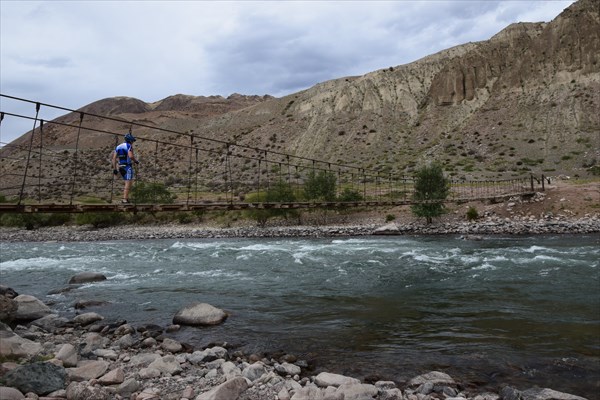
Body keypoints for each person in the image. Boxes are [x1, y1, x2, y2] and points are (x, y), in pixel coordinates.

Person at [112, 132, 139, 203]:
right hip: (127, 167)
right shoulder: (129, 146)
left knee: (126, 182)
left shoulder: (118, 147)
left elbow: (114, 158)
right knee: (128, 183)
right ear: (130, 140)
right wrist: (136, 161)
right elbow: (130, 156)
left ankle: (125, 198)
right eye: (132, 141)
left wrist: (115, 169)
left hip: (120, 166)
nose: (132, 142)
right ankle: (125, 199)